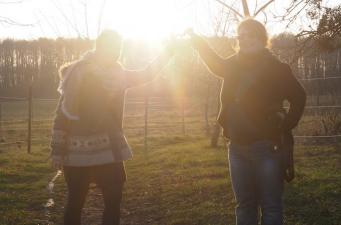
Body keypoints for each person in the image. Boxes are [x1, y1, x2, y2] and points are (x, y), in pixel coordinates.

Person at [49, 29, 175, 225]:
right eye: (111, 48)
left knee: (114, 202)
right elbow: (62, 113)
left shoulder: (119, 74)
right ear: (99, 48)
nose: (116, 53)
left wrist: (169, 51)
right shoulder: (78, 73)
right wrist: (57, 150)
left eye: (119, 48)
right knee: (75, 203)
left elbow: (147, 74)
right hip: (77, 151)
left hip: (110, 149)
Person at [187, 18, 306, 225]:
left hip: (268, 147)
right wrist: (197, 41)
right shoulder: (231, 65)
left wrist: (286, 125)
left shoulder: (277, 69)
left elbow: (299, 97)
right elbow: (215, 62)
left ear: (262, 38)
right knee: (244, 205)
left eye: (250, 34)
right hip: (236, 149)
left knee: (270, 206)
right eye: (241, 36)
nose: (245, 39)